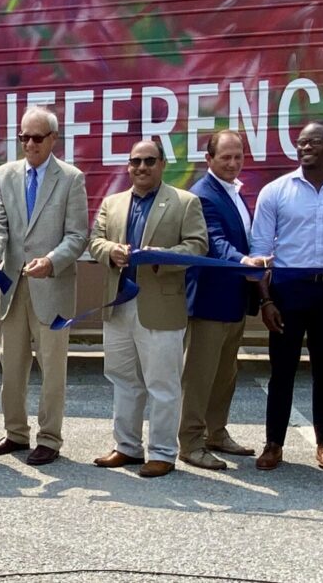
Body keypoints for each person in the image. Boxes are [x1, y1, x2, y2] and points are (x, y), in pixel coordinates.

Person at [88, 139, 208, 477]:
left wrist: (162, 257)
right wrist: (110, 250)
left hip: (161, 309)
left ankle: (163, 453)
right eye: (135, 161)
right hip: (119, 305)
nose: (141, 167)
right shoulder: (112, 203)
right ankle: (127, 447)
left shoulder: (184, 202)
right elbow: (95, 240)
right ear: (128, 165)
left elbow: (198, 247)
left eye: (149, 161)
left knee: (162, 385)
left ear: (162, 164)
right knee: (124, 380)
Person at [251, 121, 323, 472]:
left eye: (313, 142)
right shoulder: (275, 191)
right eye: (300, 142)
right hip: (287, 290)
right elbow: (259, 251)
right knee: (281, 371)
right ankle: (273, 444)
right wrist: (265, 301)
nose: (304, 148)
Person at [0, 105, 89, 466]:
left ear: (53, 139)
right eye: (23, 137)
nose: (29, 144)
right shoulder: (5, 174)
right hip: (11, 286)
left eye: (37, 137)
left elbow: (77, 235)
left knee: (52, 369)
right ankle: (15, 432)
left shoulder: (71, 178)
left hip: (52, 286)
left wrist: (53, 260)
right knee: (11, 368)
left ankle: (49, 438)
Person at [181, 131, 268, 470]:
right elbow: (214, 241)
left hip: (234, 299)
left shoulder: (233, 191)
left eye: (238, 157)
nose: (233, 163)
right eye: (225, 158)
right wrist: (243, 262)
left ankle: (216, 432)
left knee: (224, 374)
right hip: (209, 301)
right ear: (209, 160)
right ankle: (190, 442)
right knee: (199, 376)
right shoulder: (202, 195)